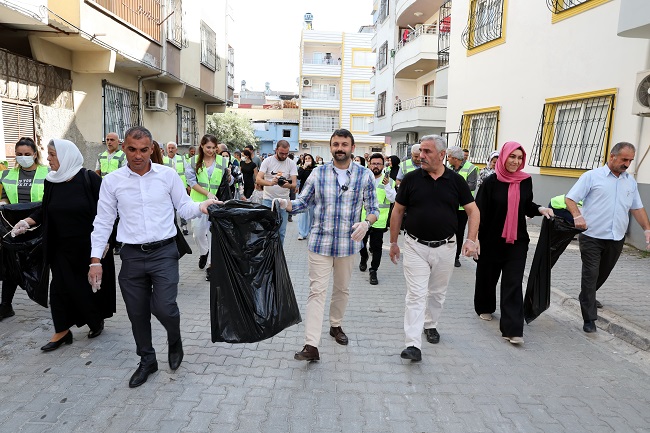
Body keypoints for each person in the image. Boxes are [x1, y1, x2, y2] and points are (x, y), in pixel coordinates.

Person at [88, 126, 218, 388]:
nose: (138, 155)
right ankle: (147, 360)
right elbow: (103, 222)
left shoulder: (167, 176)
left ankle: (174, 337)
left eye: (144, 150)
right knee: (137, 314)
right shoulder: (112, 182)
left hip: (164, 253)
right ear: (124, 147)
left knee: (164, 307)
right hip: (131, 256)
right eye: (132, 149)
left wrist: (202, 206)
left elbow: (184, 206)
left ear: (152, 149)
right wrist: (95, 261)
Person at [277, 129, 379, 362]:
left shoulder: (364, 175)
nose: (340, 148)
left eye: (344, 144)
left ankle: (335, 325)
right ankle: (311, 345)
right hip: (320, 243)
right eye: (335, 144)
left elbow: (373, 209)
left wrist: (366, 223)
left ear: (352, 148)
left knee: (342, 289)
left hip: (349, 244)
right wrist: (285, 203)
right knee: (316, 292)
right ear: (330, 147)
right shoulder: (318, 173)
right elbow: (303, 202)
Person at [11, 139, 116, 351]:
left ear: (66, 156)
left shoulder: (89, 179)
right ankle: (62, 331)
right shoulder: (51, 181)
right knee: (58, 288)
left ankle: (95, 321)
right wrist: (26, 222)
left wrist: (107, 242)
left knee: (87, 290)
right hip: (59, 248)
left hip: (88, 248)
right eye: (48, 154)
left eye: (52, 155)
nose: (48, 159)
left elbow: (110, 212)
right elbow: (45, 209)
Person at [389, 135, 479, 362]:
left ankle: (431, 324)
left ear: (442, 155)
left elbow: (473, 211)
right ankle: (412, 344)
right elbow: (398, 211)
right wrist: (392, 243)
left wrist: (470, 239)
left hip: (446, 247)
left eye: (428, 152)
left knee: (437, 294)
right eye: (421, 151)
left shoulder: (456, 181)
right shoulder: (411, 179)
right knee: (416, 295)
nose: (421, 156)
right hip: (415, 246)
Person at [473, 142, 554, 345]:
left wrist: (540, 209)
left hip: (517, 240)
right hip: (490, 240)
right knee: (487, 278)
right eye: (512, 157)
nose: (516, 161)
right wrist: (474, 239)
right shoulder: (490, 183)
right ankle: (484, 306)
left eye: (519, 158)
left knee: (513, 283)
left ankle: (512, 329)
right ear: (503, 157)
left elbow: (526, 205)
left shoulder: (525, 181)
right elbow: (478, 212)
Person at [565, 142, 650, 333]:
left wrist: (647, 230)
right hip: (591, 236)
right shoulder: (592, 177)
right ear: (612, 157)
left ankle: (587, 296)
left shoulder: (630, 182)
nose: (627, 164)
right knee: (591, 274)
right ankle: (589, 318)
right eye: (624, 159)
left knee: (603, 273)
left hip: (616, 238)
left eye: (630, 160)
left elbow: (637, 207)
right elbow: (570, 198)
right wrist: (577, 216)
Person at [0, 137, 49, 320]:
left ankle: (57, 301)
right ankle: (5, 305)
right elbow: (5, 196)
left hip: (39, 225)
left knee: (44, 264)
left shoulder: (48, 172)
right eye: (19, 154)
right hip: (13, 227)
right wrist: (3, 203)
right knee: (11, 265)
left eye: (27, 154)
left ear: (35, 154)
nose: (23, 157)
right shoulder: (8, 174)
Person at [185, 135, 227, 281]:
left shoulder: (223, 161)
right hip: (198, 203)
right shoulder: (192, 161)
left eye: (214, 148)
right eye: (208, 147)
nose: (211, 150)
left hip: (216, 204)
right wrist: (207, 193)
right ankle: (204, 252)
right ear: (202, 146)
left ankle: (211, 266)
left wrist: (231, 178)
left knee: (213, 234)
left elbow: (226, 180)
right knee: (197, 234)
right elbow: (191, 181)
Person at [359, 153, 396, 285]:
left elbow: (393, 199)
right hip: (363, 220)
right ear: (369, 164)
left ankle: (373, 270)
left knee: (377, 247)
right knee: (360, 244)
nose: (376, 166)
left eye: (378, 164)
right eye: (373, 163)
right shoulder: (363, 179)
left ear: (383, 165)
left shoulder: (389, 181)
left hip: (379, 221)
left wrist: (387, 187)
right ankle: (363, 257)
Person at [255, 140, 298, 245]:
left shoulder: (291, 163)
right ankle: (266, 256)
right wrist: (271, 183)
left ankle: (278, 257)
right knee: (266, 230)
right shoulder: (267, 161)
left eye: (286, 153)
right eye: (281, 153)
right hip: (268, 200)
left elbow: (294, 184)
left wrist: (287, 184)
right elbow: (258, 179)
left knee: (281, 232)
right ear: (276, 150)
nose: (284, 156)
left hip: (283, 202)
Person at [446, 146, 479, 268]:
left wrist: (455, 186)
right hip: (449, 206)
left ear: (455, 158)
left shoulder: (471, 168)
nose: (447, 159)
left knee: (459, 233)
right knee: (448, 231)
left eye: (449, 156)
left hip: (462, 208)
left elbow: (471, 186)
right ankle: (447, 255)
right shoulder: (448, 168)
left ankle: (456, 257)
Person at [163, 141, 189, 235]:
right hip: (168, 188)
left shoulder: (181, 159)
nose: (170, 149)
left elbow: (187, 172)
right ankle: (174, 227)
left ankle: (184, 225)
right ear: (166, 149)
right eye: (169, 148)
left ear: (176, 149)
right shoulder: (163, 160)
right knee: (170, 208)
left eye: (172, 148)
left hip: (181, 186)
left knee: (182, 206)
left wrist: (188, 185)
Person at [296, 153, 316, 240]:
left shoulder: (315, 169)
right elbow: (299, 177)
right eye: (306, 159)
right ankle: (302, 233)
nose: (307, 160)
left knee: (313, 214)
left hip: (314, 195)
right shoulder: (301, 168)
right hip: (303, 194)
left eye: (309, 158)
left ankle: (313, 232)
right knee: (302, 214)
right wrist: (304, 167)